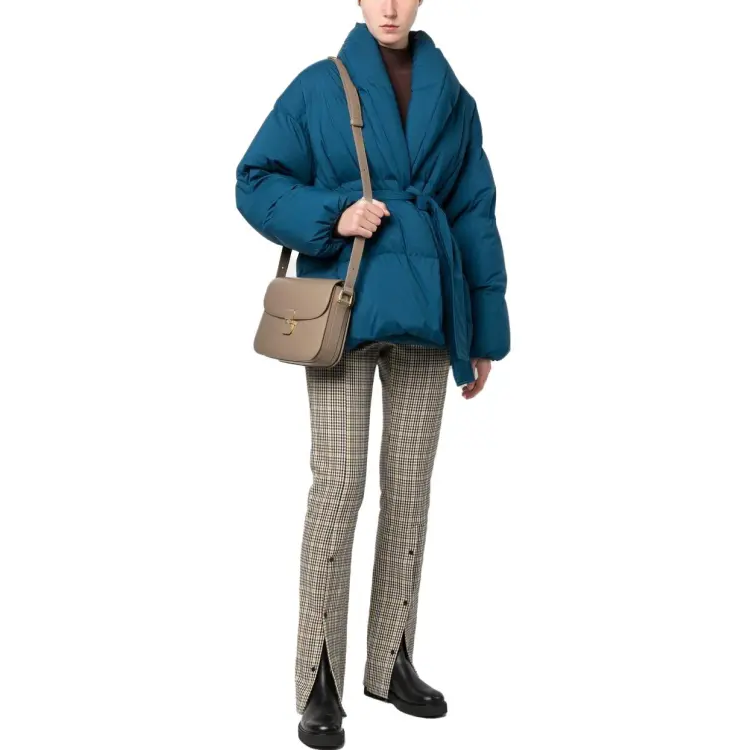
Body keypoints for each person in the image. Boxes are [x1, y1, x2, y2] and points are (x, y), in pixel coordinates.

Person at [235, 1, 510, 746]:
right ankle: (318, 677)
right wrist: (333, 213)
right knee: (339, 483)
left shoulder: (455, 98)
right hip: (345, 312)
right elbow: (254, 179)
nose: (389, 6)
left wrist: (484, 332)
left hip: (430, 314)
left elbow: (475, 214)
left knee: (410, 487)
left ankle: (391, 661)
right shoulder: (318, 86)